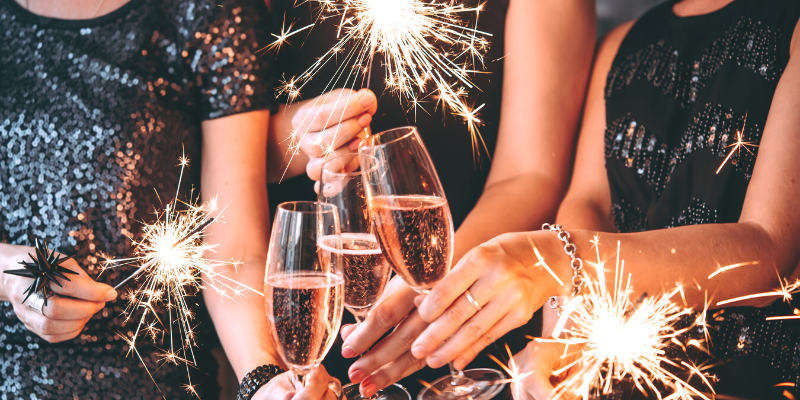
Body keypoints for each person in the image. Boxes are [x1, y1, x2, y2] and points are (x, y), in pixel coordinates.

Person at [397, 0, 800, 398]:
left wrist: (560, 257)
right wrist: (560, 339)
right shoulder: (619, 48)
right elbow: (587, 206)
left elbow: (767, 251)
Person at [0, 0, 351, 399]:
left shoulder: (207, 11)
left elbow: (233, 253)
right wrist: (8, 273)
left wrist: (262, 381)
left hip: (155, 381)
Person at [266, 0, 596, 397]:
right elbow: (217, 152)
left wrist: (440, 288)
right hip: (302, 317)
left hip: (470, 317)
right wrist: (297, 140)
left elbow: (533, 174)